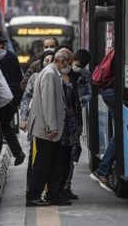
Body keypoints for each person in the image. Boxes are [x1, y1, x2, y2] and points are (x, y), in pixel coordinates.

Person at [26, 48, 73, 206]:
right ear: (62, 61)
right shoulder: (50, 74)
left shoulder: (53, 73)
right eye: (68, 62)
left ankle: (53, 194)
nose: (69, 66)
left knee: (54, 163)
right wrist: (51, 126)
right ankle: (33, 195)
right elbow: (48, 102)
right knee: (43, 164)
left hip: (50, 129)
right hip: (47, 129)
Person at [0, 35, 25, 167]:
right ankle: (17, 152)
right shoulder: (8, 56)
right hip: (10, 96)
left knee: (0, 127)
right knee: (3, 126)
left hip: (6, 97)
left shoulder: (2, 58)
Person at [19, 50, 54, 192]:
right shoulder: (35, 77)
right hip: (37, 123)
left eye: (51, 61)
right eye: (46, 61)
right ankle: (32, 187)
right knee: (35, 155)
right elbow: (26, 98)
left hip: (54, 126)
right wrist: (23, 119)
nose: (49, 64)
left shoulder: (59, 77)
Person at [61, 49, 92, 200]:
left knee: (71, 153)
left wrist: (81, 100)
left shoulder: (84, 75)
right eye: (75, 62)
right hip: (60, 119)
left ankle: (66, 186)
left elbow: (88, 94)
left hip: (75, 120)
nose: (76, 66)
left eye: (81, 64)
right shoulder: (58, 73)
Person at [90, 48, 116, 191]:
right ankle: (102, 170)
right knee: (122, 133)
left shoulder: (115, 50)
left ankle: (103, 169)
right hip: (112, 92)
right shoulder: (126, 49)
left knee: (119, 131)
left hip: (109, 91)